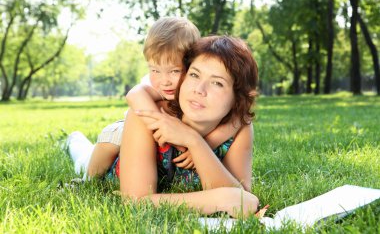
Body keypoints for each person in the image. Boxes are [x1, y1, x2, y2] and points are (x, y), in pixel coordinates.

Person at [67, 17, 242, 180]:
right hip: (132, 126)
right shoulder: (157, 87)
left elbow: (238, 120)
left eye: (174, 71)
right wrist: (163, 126)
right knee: (93, 159)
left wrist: (207, 144)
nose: (164, 81)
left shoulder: (194, 85)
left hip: (167, 132)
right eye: (154, 70)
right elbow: (135, 95)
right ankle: (84, 172)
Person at [116, 35, 260, 218]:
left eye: (217, 82)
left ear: (237, 98)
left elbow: (243, 201)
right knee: (87, 158)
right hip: (116, 155)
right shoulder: (149, 116)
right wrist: (218, 200)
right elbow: (134, 202)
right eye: (194, 74)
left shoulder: (239, 128)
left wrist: (193, 141)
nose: (199, 89)